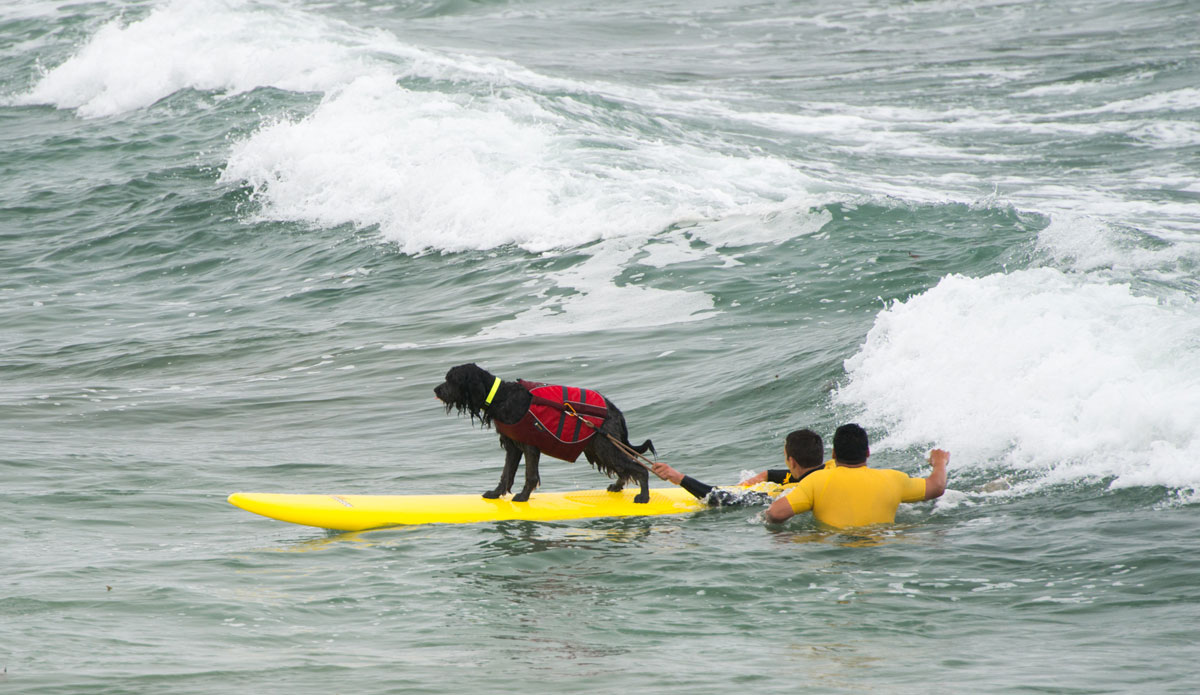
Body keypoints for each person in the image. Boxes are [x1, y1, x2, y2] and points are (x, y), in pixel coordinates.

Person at [765, 423, 948, 528]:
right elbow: (937, 487)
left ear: (834, 454)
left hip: (835, 551)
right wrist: (939, 462)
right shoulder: (894, 479)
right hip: (882, 548)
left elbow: (776, 513)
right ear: (868, 452)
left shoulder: (816, 480)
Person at [651, 429, 828, 506]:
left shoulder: (795, 493)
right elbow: (786, 475)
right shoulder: (831, 469)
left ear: (792, 461)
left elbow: (720, 499)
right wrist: (763, 476)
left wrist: (679, 478)